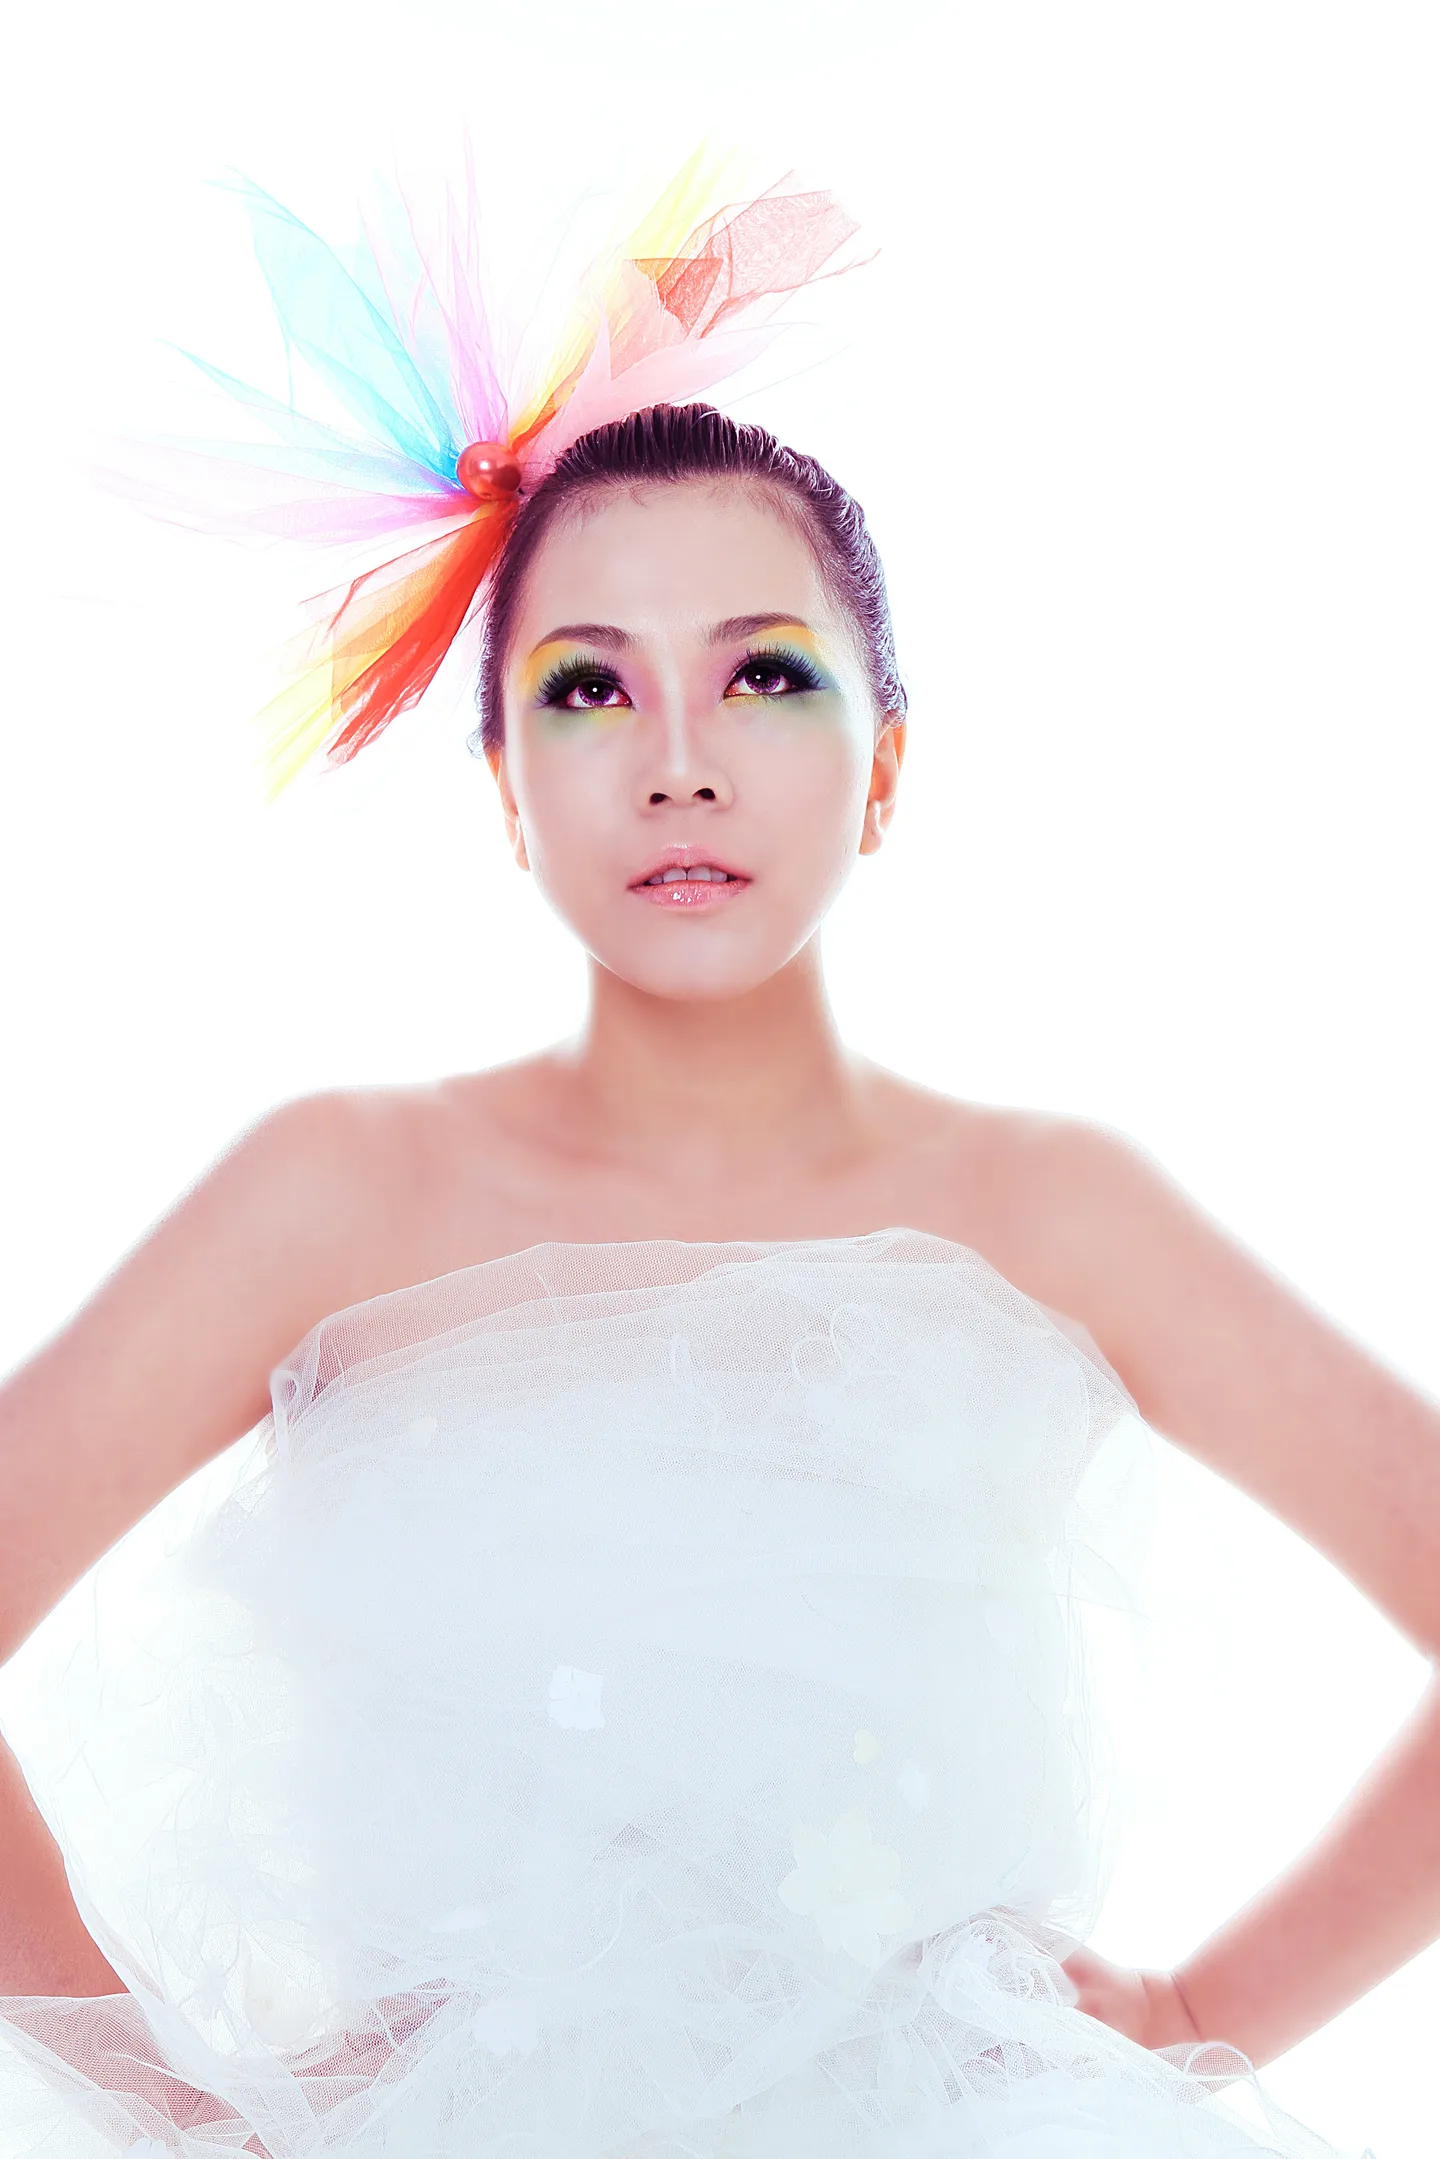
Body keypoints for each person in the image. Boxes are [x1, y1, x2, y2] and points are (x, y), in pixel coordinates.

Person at [0, 153, 1427, 2158]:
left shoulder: (1051, 1210)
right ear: (506, 788)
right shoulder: (336, 1199)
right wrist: (179, 2095)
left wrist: (1199, 2013)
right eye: (589, 688)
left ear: (888, 759)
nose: (680, 760)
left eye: (765, 672)